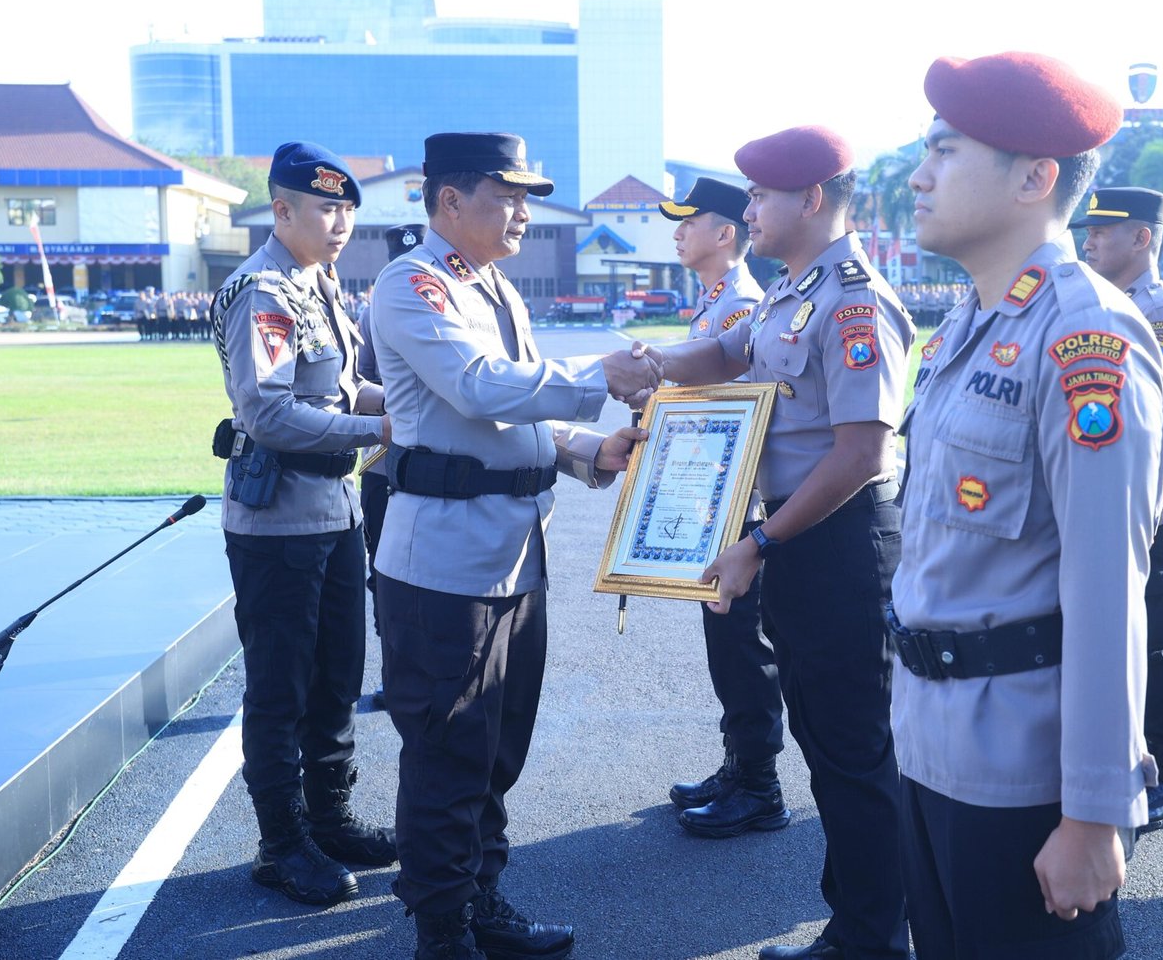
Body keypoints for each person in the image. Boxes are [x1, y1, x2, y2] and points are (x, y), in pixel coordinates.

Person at [891, 52, 1163, 960]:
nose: (919, 175)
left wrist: (1095, 812)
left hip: (1021, 772)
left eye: (945, 151)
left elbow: (1107, 590)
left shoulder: (1086, 334)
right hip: (929, 745)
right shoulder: (968, 325)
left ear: (1036, 178)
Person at [367, 132, 657, 960]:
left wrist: (585, 448)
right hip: (443, 566)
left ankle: (480, 895)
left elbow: (516, 412)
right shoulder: (410, 285)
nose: (525, 211)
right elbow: (479, 387)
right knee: (447, 749)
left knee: (497, 748)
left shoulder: (494, 286)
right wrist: (602, 376)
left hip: (512, 552)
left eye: (528, 196)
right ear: (450, 202)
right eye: (508, 195)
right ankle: (443, 929)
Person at [653, 125, 915, 959]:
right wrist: (650, 364)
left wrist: (760, 540)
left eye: (762, 195)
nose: (750, 209)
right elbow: (728, 352)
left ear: (811, 198)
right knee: (825, 740)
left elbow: (862, 451)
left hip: (838, 544)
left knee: (855, 750)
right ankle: (859, 923)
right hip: (801, 544)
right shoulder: (786, 290)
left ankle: (873, 936)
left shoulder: (854, 299)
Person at [210, 141, 397, 906]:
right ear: (281, 211)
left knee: (336, 677)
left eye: (348, 209)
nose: (341, 222)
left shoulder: (319, 283)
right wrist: (383, 433)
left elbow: (344, 387)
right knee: (281, 688)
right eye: (326, 207)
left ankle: (331, 816)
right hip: (277, 519)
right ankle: (281, 843)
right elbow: (270, 412)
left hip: (333, 509)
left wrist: (403, 403)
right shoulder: (265, 291)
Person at [657, 177, 789, 838]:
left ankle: (759, 783)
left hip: (738, 498)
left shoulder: (741, 306)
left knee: (741, 641)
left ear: (725, 233)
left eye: (688, 222)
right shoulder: (715, 301)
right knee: (723, 637)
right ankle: (739, 763)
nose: (677, 232)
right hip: (712, 492)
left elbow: (727, 395)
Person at [1071, 186, 1163, 833]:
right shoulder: (1098, 307)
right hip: (1103, 507)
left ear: (1142, 238)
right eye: (1086, 229)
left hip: (1145, 511)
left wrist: (1143, 516)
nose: (1087, 239)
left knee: (1156, 642)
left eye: (1101, 230)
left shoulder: (1160, 314)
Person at [356, 224, 428, 710]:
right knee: (383, 573)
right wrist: (397, 405)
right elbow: (355, 383)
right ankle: (394, 672)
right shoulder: (370, 312)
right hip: (383, 466)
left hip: (434, 467)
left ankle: (427, 670)